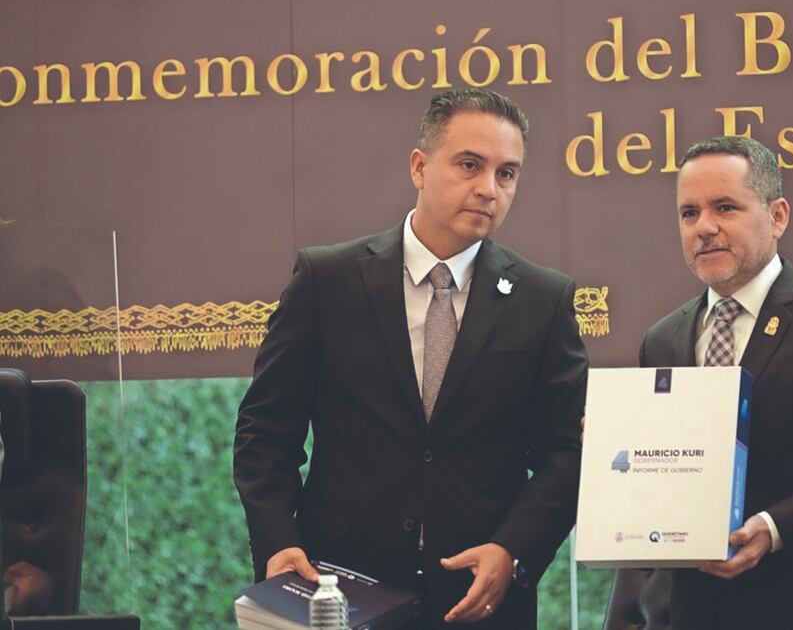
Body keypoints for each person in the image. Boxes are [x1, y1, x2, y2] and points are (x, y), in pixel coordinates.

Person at [233, 88, 588, 629]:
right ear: (420, 167)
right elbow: (265, 432)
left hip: (481, 598)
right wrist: (279, 543)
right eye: (470, 165)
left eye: (507, 173)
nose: (488, 189)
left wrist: (514, 550)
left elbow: (566, 451)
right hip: (341, 592)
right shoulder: (327, 280)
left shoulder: (545, 299)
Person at [607, 136, 793, 629]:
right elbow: (656, 493)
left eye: (725, 207)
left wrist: (773, 527)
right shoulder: (663, 339)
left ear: (778, 216)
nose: (704, 228)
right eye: (688, 213)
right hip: (688, 612)